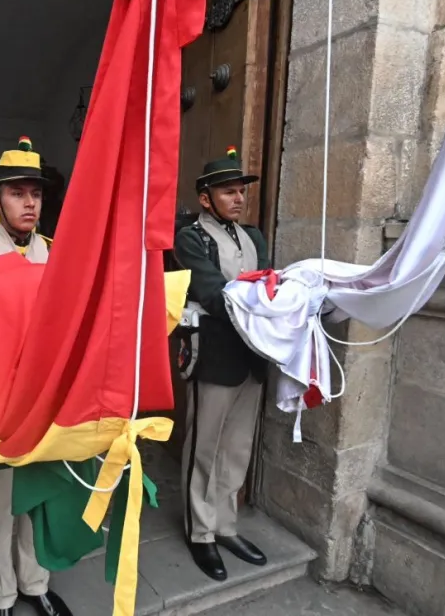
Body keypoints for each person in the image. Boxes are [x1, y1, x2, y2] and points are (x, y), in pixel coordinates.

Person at [0, 137, 72, 616]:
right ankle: (1, 595)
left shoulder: (57, 252)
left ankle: (36, 584)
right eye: (19, 193)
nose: (29, 203)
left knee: (40, 496)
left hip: (45, 398)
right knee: (0, 506)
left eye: (36, 194)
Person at [173, 147, 270, 582]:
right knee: (204, 446)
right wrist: (261, 295)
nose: (237, 198)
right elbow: (212, 291)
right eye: (227, 192)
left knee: (237, 447)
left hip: (252, 355)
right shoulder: (190, 237)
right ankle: (200, 532)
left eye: (240, 191)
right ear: (206, 198)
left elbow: (267, 285)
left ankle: (225, 525)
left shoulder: (254, 236)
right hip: (213, 353)